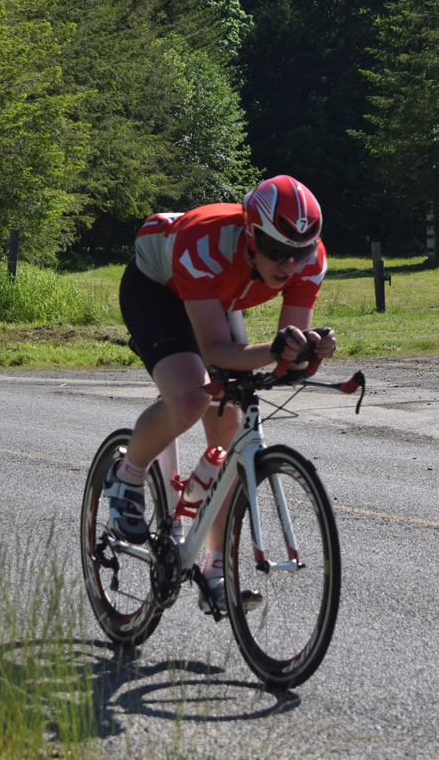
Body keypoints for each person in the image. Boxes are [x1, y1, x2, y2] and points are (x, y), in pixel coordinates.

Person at [105, 174, 336, 614]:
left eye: (301, 252)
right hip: (158, 288)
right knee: (191, 398)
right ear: (251, 234)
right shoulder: (205, 241)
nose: (289, 264)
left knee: (229, 436)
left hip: (216, 297)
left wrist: (309, 348)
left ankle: (214, 571)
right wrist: (274, 349)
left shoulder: (310, 260)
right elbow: (215, 351)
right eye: (276, 251)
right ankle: (128, 474)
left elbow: (288, 346)